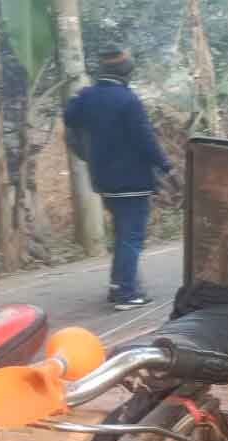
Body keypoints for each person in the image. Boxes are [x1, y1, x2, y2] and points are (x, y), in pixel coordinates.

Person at [64, 48, 173, 310]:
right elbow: (145, 140)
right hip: (132, 180)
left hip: (103, 179)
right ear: (126, 72)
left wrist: (85, 151)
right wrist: (167, 167)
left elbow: (70, 118)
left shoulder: (86, 97)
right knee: (131, 236)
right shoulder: (128, 100)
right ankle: (125, 293)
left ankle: (119, 285)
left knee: (123, 233)